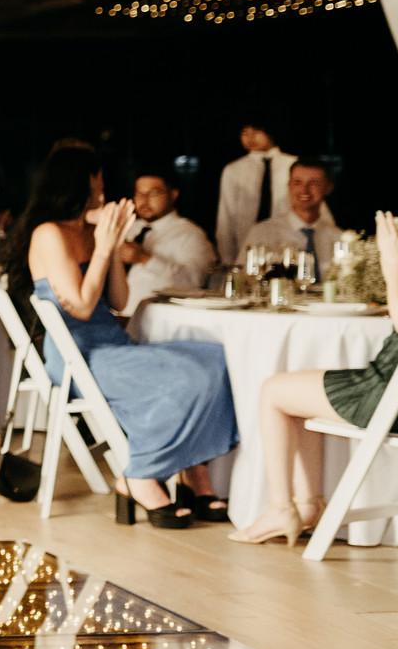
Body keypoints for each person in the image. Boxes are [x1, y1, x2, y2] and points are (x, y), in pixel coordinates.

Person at [12, 146, 237, 528]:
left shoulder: (87, 230)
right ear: (76, 185)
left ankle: (192, 475)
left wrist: (110, 246)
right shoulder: (49, 233)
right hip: (77, 356)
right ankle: (139, 474)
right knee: (187, 379)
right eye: (96, 184)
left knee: (215, 360)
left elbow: (117, 301)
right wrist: (102, 248)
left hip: (112, 345)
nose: (102, 193)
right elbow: (81, 308)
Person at [233, 209, 398, 545]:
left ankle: (281, 507)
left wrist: (392, 264)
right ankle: (308, 506)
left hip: (393, 394)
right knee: (295, 393)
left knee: (272, 391)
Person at [116, 170, 216, 310]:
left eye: (154, 193)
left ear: (173, 195)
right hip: (113, 315)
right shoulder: (127, 227)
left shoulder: (190, 234)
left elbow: (193, 283)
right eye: (139, 193)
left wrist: (145, 258)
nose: (144, 199)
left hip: (154, 318)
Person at [240, 160, 342, 276]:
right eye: (297, 182)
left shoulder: (338, 238)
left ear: (328, 188)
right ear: (289, 186)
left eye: (313, 183)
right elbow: (243, 279)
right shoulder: (262, 233)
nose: (304, 190)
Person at [217, 119, 294, 264]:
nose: (250, 138)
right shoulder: (234, 170)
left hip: (288, 249)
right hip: (247, 251)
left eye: (256, 131)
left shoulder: (291, 164)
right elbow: (226, 217)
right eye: (245, 132)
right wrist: (227, 259)